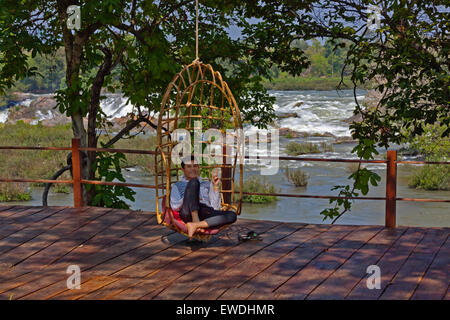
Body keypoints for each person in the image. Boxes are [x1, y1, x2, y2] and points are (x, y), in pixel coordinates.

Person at [170, 155, 237, 239]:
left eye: (195, 166)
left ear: (198, 167)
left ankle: (196, 225)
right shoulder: (177, 185)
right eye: (189, 166)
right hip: (187, 212)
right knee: (194, 182)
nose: (193, 169)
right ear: (183, 169)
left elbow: (215, 207)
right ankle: (195, 219)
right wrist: (190, 197)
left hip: (205, 212)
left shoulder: (206, 184)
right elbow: (174, 206)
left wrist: (215, 187)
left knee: (232, 215)